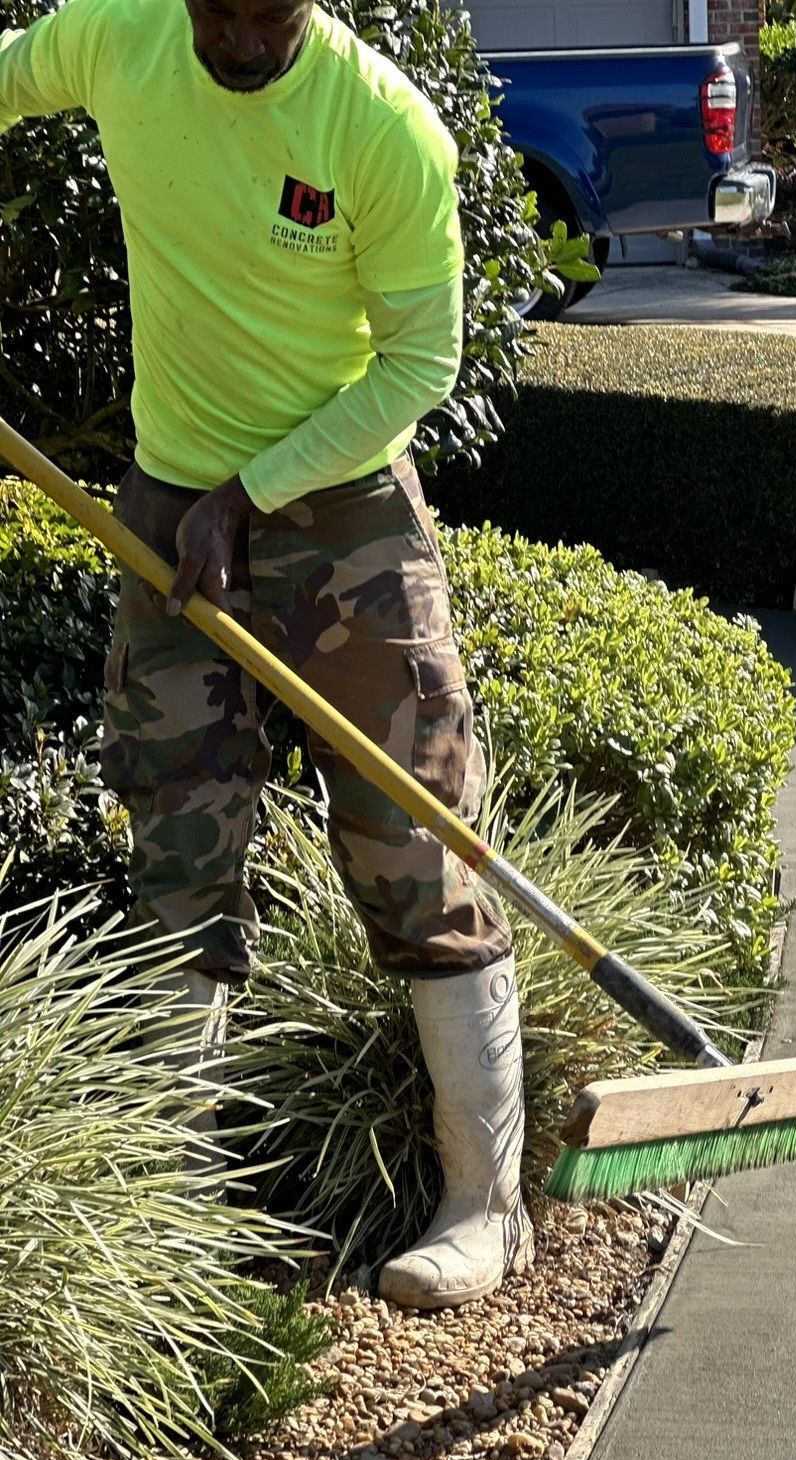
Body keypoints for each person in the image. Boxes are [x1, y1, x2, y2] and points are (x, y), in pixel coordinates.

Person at [0, 0, 530, 1309]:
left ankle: (486, 1203)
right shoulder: (115, 38)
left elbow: (423, 357)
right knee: (179, 836)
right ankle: (176, 1219)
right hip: (165, 499)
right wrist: (196, 501)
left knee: (419, 837)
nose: (239, 21)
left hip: (342, 513)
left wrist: (253, 494)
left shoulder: (381, 126)